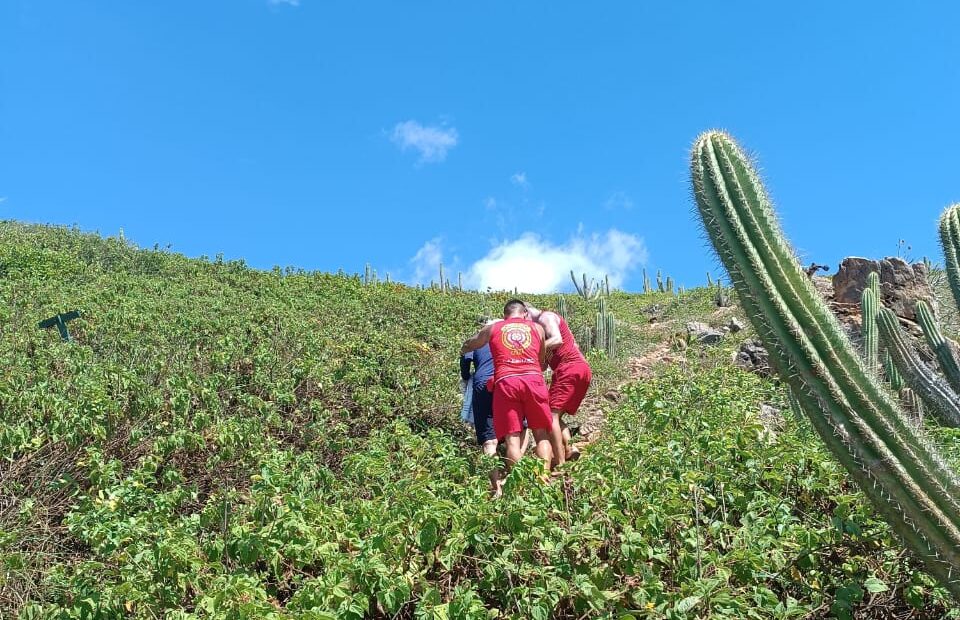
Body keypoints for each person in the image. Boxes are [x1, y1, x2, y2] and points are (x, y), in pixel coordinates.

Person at [460, 299, 554, 495]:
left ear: (505, 315)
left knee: (512, 440)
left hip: (506, 382)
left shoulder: (494, 328)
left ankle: (520, 486)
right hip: (533, 380)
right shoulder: (537, 328)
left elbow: (473, 343)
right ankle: (544, 481)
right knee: (541, 435)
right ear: (525, 313)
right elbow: (541, 359)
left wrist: (464, 348)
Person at [525, 302, 593, 467]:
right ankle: (571, 448)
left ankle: (561, 461)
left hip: (569, 368)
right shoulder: (541, 333)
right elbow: (543, 365)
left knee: (550, 416)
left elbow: (557, 339)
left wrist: (532, 349)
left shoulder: (545, 317)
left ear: (525, 312)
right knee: (554, 414)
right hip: (578, 370)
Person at [459, 321, 497, 456]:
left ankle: (496, 476)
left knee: (489, 437)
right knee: (517, 431)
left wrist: (465, 376)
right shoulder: (509, 340)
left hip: (483, 384)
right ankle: (518, 471)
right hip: (508, 382)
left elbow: (465, 359)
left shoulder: (477, 341)